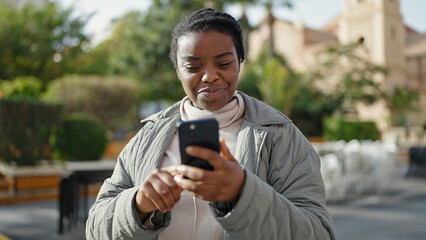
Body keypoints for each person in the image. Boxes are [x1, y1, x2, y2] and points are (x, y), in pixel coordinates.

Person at [86, 8, 335, 240]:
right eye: (193, 66)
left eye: (224, 63)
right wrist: (138, 205)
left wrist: (241, 192)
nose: (209, 75)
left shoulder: (281, 136)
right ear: (178, 70)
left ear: (240, 61)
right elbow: (95, 227)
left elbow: (318, 233)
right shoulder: (147, 137)